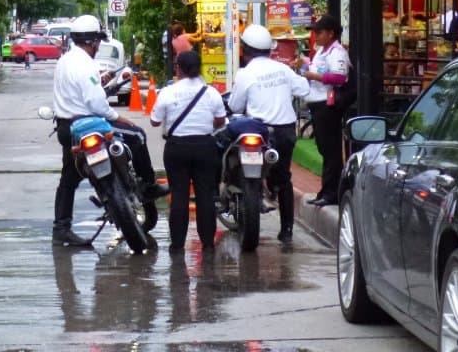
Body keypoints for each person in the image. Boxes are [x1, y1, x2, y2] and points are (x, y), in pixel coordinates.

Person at [51, 14, 166, 247]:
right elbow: (95, 103)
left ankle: (61, 228)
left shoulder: (65, 61)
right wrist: (117, 116)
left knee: (69, 179)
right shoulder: (86, 64)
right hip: (90, 123)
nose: (98, 47)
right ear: (93, 42)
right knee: (138, 135)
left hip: (67, 128)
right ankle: (148, 185)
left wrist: (99, 81)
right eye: (98, 43)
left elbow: (77, 92)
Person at [229, 23, 309, 243]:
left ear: (245, 50)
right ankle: (287, 231)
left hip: (259, 130)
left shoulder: (246, 73)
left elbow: (235, 106)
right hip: (284, 132)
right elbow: (304, 89)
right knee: (283, 178)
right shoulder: (283, 69)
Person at [150, 49, 226, 252]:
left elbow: (155, 121)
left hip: (177, 149)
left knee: (179, 196)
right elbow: (220, 120)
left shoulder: (167, 92)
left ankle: (177, 245)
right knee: (205, 196)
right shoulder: (211, 93)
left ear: (179, 69)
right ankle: (208, 244)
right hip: (205, 148)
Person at [297, 15, 349, 208]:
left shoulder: (337, 52)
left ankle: (332, 192)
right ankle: (327, 190)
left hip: (327, 106)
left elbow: (339, 78)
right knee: (324, 149)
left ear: (331, 33)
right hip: (316, 104)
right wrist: (304, 66)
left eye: (319, 32)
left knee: (331, 151)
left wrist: (313, 75)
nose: (315, 35)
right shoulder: (321, 51)